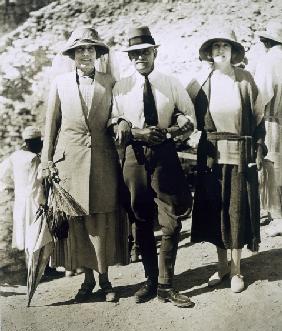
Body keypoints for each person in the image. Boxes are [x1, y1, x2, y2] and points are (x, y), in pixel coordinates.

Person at [41, 27, 128, 303]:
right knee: (77, 223)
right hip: (69, 163)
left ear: (97, 53)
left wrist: (121, 123)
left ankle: (104, 279)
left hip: (103, 160)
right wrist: (45, 160)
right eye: (80, 50)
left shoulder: (109, 82)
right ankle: (87, 281)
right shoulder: (60, 84)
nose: (86, 54)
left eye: (90, 49)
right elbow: (50, 125)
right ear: (73, 55)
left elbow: (117, 115)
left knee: (101, 220)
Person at [111, 26, 196, 307]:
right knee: (141, 220)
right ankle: (150, 281)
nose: (140, 58)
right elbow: (114, 123)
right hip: (134, 158)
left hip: (165, 156)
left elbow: (189, 118)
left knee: (171, 221)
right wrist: (134, 132)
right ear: (130, 57)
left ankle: (166, 285)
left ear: (154, 52)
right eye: (134, 54)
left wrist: (170, 131)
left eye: (145, 52)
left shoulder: (170, 82)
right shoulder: (121, 87)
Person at [187, 28, 266, 293]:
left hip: (240, 155)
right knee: (215, 210)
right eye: (215, 46)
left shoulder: (245, 80)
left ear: (233, 51)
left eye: (225, 46)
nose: (220, 50)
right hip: (210, 157)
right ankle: (221, 267)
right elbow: (185, 112)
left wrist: (256, 153)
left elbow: (257, 119)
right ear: (209, 52)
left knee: (236, 210)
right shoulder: (200, 81)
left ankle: (236, 270)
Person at [253, 21, 282, 224]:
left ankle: (277, 216)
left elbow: (262, 95)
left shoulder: (269, 60)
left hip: (273, 121)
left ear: (266, 41)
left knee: (272, 166)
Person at [0, 126, 44, 253]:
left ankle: (32, 269)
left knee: (25, 235)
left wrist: (13, 186)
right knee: (37, 234)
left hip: (21, 200)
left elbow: (2, 174)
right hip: (35, 200)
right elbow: (41, 178)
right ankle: (40, 270)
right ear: (32, 142)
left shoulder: (15, 156)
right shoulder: (34, 158)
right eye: (39, 142)